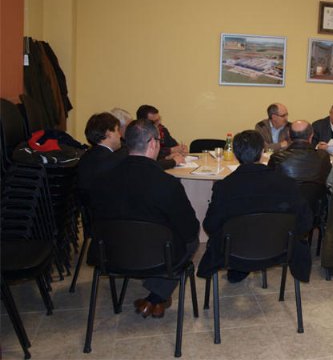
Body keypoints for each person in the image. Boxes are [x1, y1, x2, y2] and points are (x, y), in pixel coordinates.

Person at [89, 119, 199, 318]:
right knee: (190, 241)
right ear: (153, 143)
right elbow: (190, 228)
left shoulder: (102, 179)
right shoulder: (167, 183)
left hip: (112, 254)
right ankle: (156, 297)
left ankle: (155, 298)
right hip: (157, 256)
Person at [198, 130, 312, 283]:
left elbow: (211, 225)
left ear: (235, 155)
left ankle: (240, 270)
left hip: (233, 253)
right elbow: (306, 221)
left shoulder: (224, 187)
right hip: (279, 250)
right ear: (262, 152)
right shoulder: (287, 184)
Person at [268, 119, 331, 188]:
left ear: (289, 135)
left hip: (286, 197)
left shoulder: (277, 158)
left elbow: (271, 183)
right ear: (311, 136)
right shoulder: (323, 157)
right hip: (315, 197)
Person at [76, 112, 127, 197]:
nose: (120, 135)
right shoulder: (114, 161)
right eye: (117, 130)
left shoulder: (85, 157)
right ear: (108, 133)